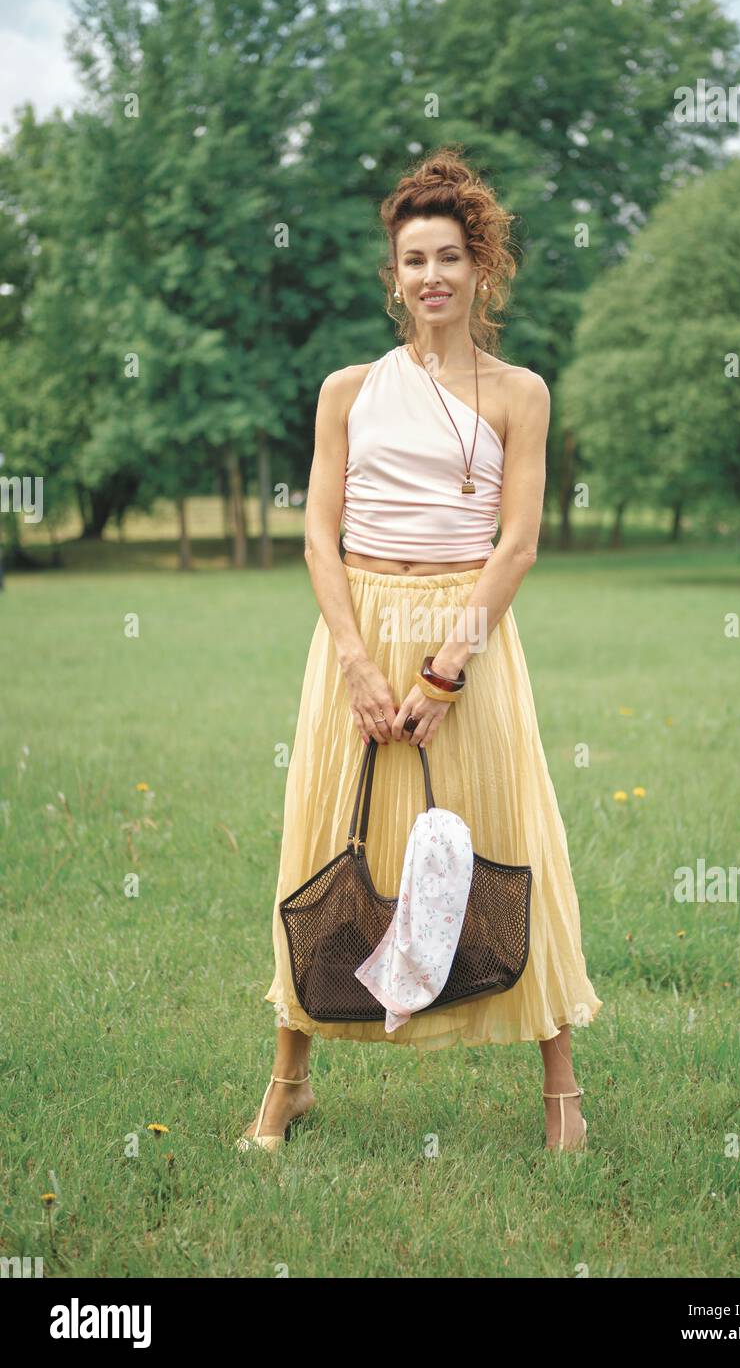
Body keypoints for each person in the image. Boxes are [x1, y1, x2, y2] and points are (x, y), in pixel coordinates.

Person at [237, 148, 602, 1156]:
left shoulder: (517, 391)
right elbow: (317, 535)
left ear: (478, 268)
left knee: (503, 838)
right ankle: (286, 1084)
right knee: (322, 843)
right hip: (356, 626)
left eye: (449, 256)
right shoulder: (348, 388)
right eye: (413, 260)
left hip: (466, 631)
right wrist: (358, 663)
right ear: (393, 275)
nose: (431, 275)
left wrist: (447, 666)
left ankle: (560, 1094)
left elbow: (517, 542)